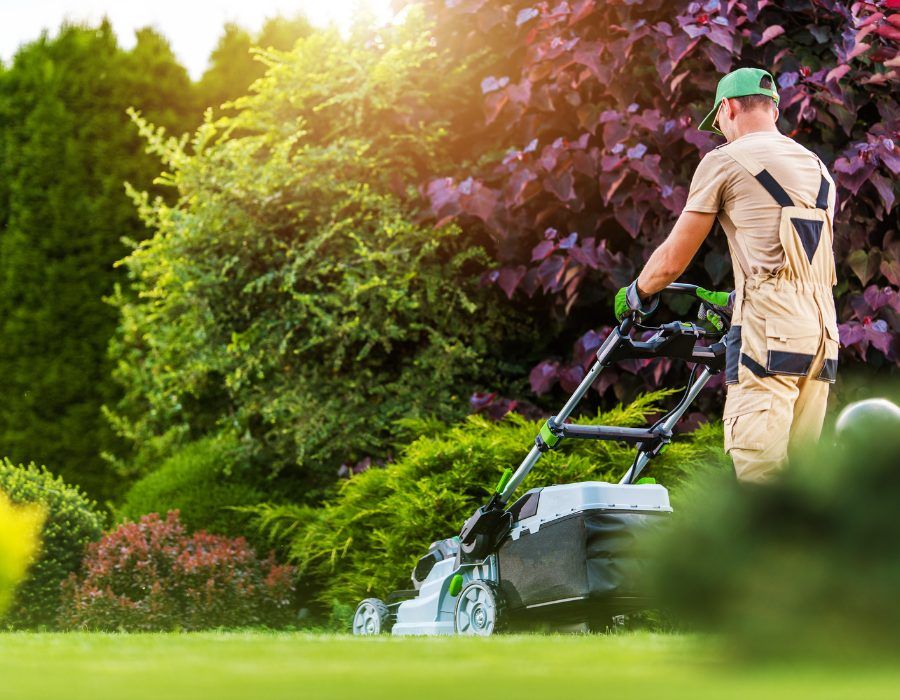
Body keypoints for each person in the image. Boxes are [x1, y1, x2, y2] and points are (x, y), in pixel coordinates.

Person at [614, 67, 839, 483]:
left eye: (718, 120)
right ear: (773, 108)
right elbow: (798, 257)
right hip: (822, 335)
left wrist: (636, 292)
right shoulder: (817, 168)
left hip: (770, 333)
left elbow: (671, 261)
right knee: (803, 483)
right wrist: (737, 298)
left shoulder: (724, 161)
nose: (719, 129)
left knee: (760, 474)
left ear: (729, 107)